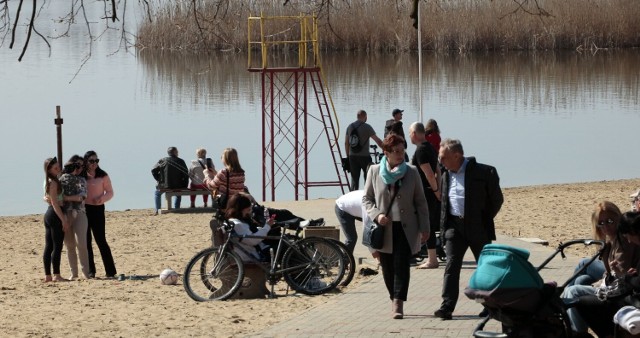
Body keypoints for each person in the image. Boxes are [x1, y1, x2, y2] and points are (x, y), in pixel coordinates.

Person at [434, 138, 504, 320]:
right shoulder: (445, 174)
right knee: (451, 266)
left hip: (477, 227)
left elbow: (497, 199)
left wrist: (484, 219)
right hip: (454, 229)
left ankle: (486, 307)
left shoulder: (484, 172)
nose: (440, 161)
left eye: (444, 157)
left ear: (457, 155)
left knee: (484, 268)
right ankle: (446, 307)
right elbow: (444, 205)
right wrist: (444, 230)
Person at [362, 134, 430, 319]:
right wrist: (377, 215)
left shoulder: (412, 171)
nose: (401, 154)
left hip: (406, 228)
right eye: (396, 151)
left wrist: (425, 228)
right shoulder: (374, 171)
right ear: (386, 152)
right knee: (387, 267)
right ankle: (393, 296)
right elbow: (366, 199)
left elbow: (421, 202)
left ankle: (398, 303)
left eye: (403, 150)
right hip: (384, 229)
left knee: (401, 265)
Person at [561, 201, 640, 335]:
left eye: (610, 221)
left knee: (576, 283)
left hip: (623, 288)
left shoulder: (624, 239)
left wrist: (607, 265)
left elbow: (619, 274)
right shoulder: (613, 239)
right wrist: (605, 259)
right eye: (601, 223)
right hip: (619, 283)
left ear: (618, 219)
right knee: (582, 279)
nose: (606, 227)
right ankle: (572, 320)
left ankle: (576, 331)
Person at [408, 122, 442, 269]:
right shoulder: (429, 146)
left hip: (425, 193)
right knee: (429, 225)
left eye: (409, 133)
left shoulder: (421, 150)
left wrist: (436, 191)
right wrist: (438, 189)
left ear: (414, 134)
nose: (409, 136)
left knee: (424, 225)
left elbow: (429, 173)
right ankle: (430, 257)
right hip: (430, 191)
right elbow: (438, 170)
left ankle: (431, 259)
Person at [83, 150, 117, 278]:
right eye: (91, 161)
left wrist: (101, 199)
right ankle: (91, 271)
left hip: (97, 209)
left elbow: (110, 192)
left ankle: (110, 270)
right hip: (84, 209)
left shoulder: (103, 175)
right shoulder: (81, 175)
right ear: (86, 161)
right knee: (86, 241)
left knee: (101, 240)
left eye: (96, 161)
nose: (94, 164)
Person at [59, 155, 90, 280]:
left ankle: (86, 272)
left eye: (81, 166)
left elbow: (82, 196)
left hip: (79, 212)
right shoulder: (62, 179)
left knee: (81, 243)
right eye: (77, 165)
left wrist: (67, 198)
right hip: (65, 213)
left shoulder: (82, 179)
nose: (79, 168)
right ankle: (74, 273)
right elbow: (57, 196)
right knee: (69, 244)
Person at [42, 157, 70, 282]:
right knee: (56, 246)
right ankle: (56, 275)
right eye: (55, 168)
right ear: (49, 169)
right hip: (54, 214)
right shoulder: (53, 182)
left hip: (49, 214)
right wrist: (63, 220)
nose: (58, 169)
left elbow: (47, 197)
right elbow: (54, 203)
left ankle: (48, 275)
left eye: (59, 167)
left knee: (49, 246)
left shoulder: (47, 181)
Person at [225, 193, 275, 261]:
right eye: (248, 210)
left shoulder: (232, 221)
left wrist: (261, 229)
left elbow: (248, 235)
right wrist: (267, 227)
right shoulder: (237, 224)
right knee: (283, 248)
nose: (249, 213)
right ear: (240, 209)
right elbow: (253, 240)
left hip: (251, 252)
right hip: (252, 256)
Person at [345, 109, 383, 191]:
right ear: (365, 117)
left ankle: (352, 198)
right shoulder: (367, 127)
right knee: (368, 179)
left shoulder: (350, 127)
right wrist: (386, 149)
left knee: (354, 180)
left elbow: (346, 143)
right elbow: (378, 141)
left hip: (352, 156)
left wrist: (348, 156)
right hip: (365, 156)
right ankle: (367, 197)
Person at [152, 146, 189, 214]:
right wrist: (185, 185)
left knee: (157, 193)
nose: (178, 153)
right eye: (177, 151)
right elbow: (186, 174)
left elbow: (153, 170)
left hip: (164, 185)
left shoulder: (162, 160)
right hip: (178, 185)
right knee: (178, 194)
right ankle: (177, 208)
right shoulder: (181, 161)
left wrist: (159, 179)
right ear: (174, 152)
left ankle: (157, 209)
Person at [335, 189, 365, 255]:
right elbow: (367, 231)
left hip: (353, 206)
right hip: (342, 208)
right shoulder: (368, 206)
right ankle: (344, 261)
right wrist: (374, 252)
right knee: (352, 238)